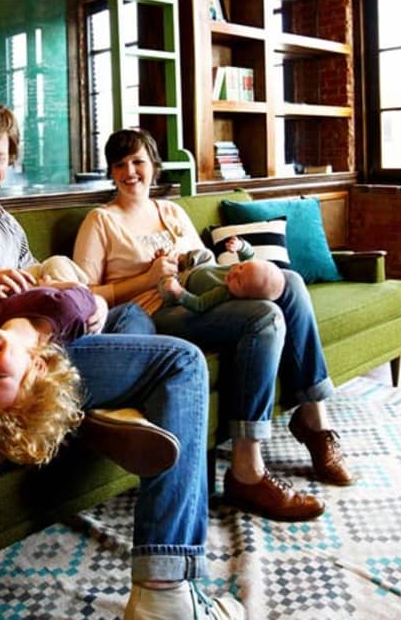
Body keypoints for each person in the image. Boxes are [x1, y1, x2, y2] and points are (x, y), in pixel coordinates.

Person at [0, 94, 244, 620]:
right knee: (183, 362)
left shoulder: (6, 225)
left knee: (124, 315)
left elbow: (47, 286)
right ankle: (164, 589)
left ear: (10, 159)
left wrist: (92, 305)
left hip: (36, 350)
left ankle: (107, 409)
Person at [73, 127, 354, 524]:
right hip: (156, 313)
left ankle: (315, 419)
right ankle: (247, 471)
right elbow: (84, 296)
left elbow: (202, 261)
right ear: (111, 172)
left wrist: (230, 265)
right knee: (265, 318)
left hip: (201, 295)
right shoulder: (101, 220)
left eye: (138, 161)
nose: (130, 171)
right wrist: (146, 277)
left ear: (154, 165)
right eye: (120, 164)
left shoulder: (171, 212)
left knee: (288, 282)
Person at [160, 251, 286, 312]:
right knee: (206, 254)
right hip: (204, 266)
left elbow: (199, 305)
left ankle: (168, 267)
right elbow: (249, 256)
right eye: (241, 267)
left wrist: (179, 292)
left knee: (167, 288)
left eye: (239, 281)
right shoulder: (247, 270)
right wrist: (241, 247)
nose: (235, 272)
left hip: (185, 282)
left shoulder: (223, 293)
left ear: (245, 298)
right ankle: (179, 260)